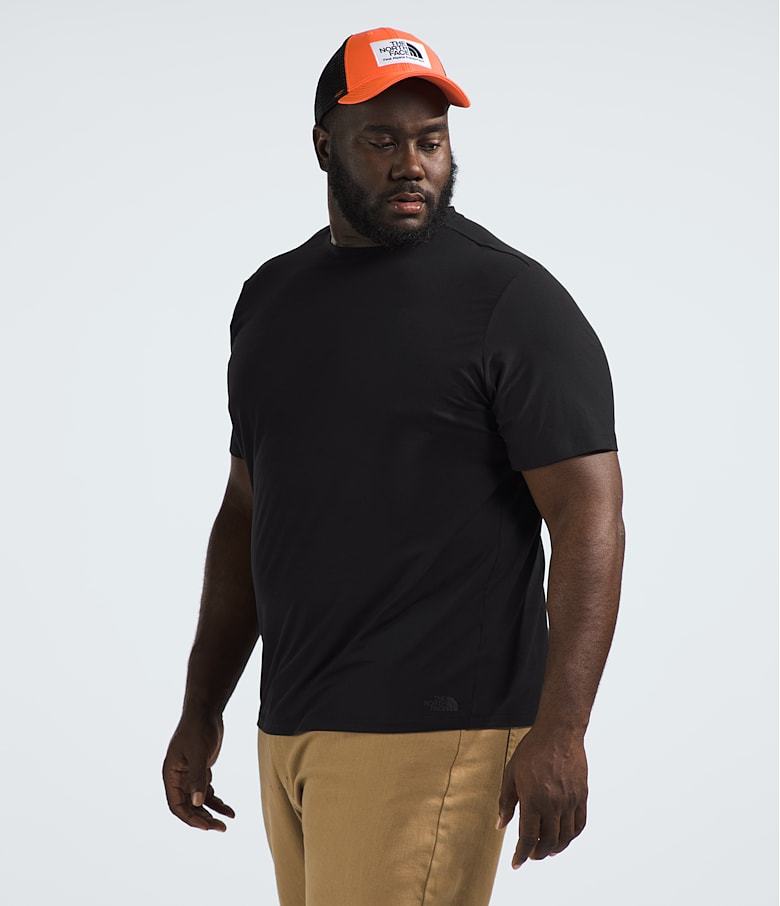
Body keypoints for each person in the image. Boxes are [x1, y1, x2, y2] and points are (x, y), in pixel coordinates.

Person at [162, 25, 625, 906]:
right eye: (381, 141)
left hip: (434, 730)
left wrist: (563, 728)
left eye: (431, 141)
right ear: (323, 145)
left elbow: (588, 514)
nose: (413, 165)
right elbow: (248, 512)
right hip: (290, 725)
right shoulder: (270, 300)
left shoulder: (511, 303)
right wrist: (201, 708)